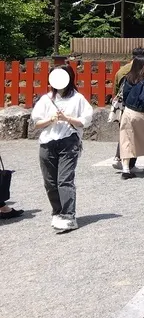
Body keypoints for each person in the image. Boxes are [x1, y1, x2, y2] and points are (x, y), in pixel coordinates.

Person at [31, 66, 93, 233]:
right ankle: (57, 212)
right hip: (47, 142)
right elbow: (36, 123)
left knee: (64, 179)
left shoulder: (78, 99)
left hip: (68, 141)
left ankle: (69, 215)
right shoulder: (46, 99)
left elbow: (86, 120)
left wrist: (67, 118)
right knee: (50, 182)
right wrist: (50, 120)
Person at [112, 46, 144, 171]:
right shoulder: (139, 70)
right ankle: (129, 164)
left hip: (122, 105)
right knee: (133, 135)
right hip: (134, 106)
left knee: (124, 133)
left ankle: (119, 158)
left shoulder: (120, 71)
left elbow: (116, 89)